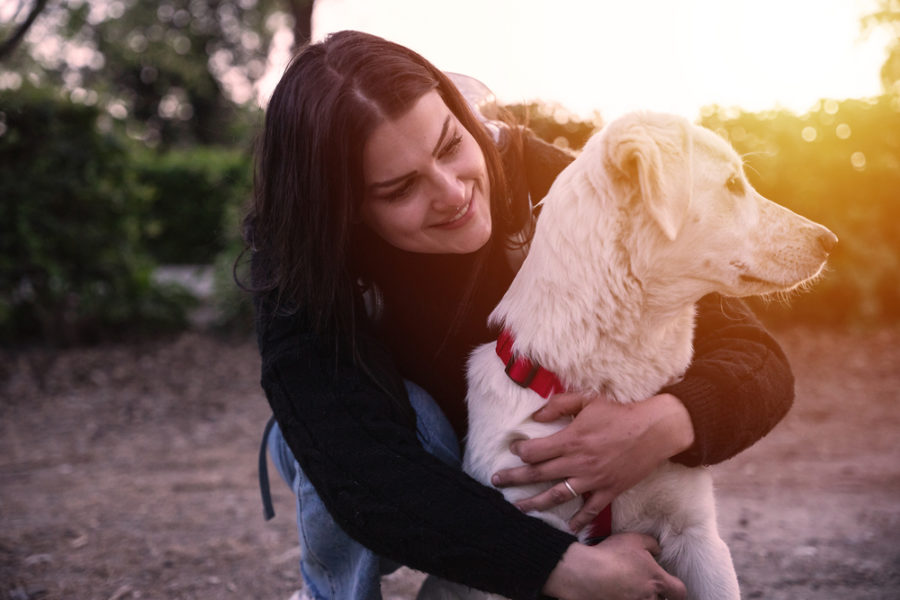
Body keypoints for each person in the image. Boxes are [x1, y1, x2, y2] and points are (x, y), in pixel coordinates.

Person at [241, 30, 794, 600]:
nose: (452, 193)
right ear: (342, 209)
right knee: (414, 424)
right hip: (407, 451)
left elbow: (758, 360)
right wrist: (567, 568)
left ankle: (477, 559)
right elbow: (356, 465)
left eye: (451, 145)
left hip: (515, 464)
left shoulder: (555, 183)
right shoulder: (298, 258)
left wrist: (664, 425)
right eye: (402, 187)